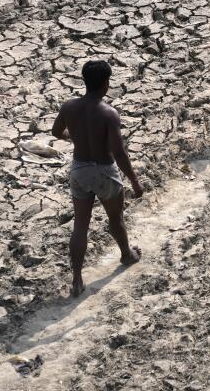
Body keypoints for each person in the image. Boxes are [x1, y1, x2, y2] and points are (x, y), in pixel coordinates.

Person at [51, 60, 143, 297]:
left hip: (79, 169)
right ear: (105, 84)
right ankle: (126, 254)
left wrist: (75, 138)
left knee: (81, 225)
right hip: (103, 170)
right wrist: (134, 180)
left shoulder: (69, 107)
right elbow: (119, 152)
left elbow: (55, 132)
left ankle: (77, 279)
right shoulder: (108, 113)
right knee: (115, 217)